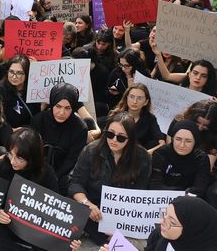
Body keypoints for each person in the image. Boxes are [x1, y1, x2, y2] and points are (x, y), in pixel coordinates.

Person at [0, 128, 83, 251]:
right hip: (8, 225)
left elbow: (56, 211)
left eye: (19, 158)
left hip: (36, 228)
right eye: (10, 154)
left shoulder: (46, 173)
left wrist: (70, 239)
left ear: (32, 157)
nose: (12, 161)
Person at [69, 112, 151, 245]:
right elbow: (75, 183)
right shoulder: (91, 151)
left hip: (124, 218)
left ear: (130, 139)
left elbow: (139, 195)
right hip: (92, 212)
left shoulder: (142, 158)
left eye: (121, 138)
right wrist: (87, 203)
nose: (113, 140)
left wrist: (121, 226)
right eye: (110, 134)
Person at [31, 83, 88, 193]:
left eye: (67, 108)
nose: (61, 113)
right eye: (58, 106)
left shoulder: (80, 128)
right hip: (37, 168)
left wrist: (54, 177)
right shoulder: (38, 120)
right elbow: (32, 151)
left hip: (63, 174)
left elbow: (72, 159)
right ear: (52, 104)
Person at [150, 120, 210, 197]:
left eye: (188, 141)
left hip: (189, 201)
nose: (182, 145)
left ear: (195, 142)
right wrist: (178, 192)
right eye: (178, 139)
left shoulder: (201, 158)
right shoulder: (160, 153)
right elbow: (154, 185)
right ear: (172, 139)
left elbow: (200, 188)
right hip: (162, 198)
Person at [141, 196, 217, 250]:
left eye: (172, 222)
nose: (161, 222)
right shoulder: (157, 235)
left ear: (190, 231)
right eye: (165, 213)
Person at [108, 83, 164, 152]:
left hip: (138, 155)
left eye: (139, 98)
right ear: (127, 98)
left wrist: (147, 153)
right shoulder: (116, 115)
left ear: (146, 102)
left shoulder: (150, 119)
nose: (134, 101)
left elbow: (161, 142)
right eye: (131, 97)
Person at [0, 55, 41, 129]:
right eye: (11, 72)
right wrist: (11, 130)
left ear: (27, 74)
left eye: (19, 73)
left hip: (30, 133)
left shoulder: (34, 90)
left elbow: (37, 114)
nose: (14, 76)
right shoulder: (0, 91)